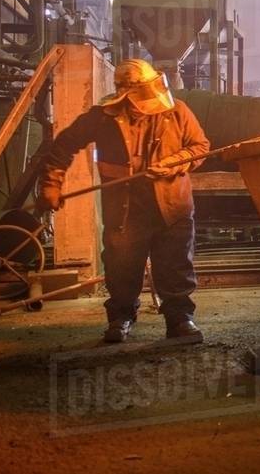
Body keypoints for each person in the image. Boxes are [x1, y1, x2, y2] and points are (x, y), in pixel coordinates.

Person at [37, 58, 210, 344]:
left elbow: (200, 146)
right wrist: (51, 184)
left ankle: (179, 319)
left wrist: (173, 162)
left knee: (176, 265)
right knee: (122, 266)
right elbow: (64, 145)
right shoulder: (102, 117)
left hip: (172, 205)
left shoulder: (176, 111)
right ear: (127, 93)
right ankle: (121, 317)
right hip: (126, 208)